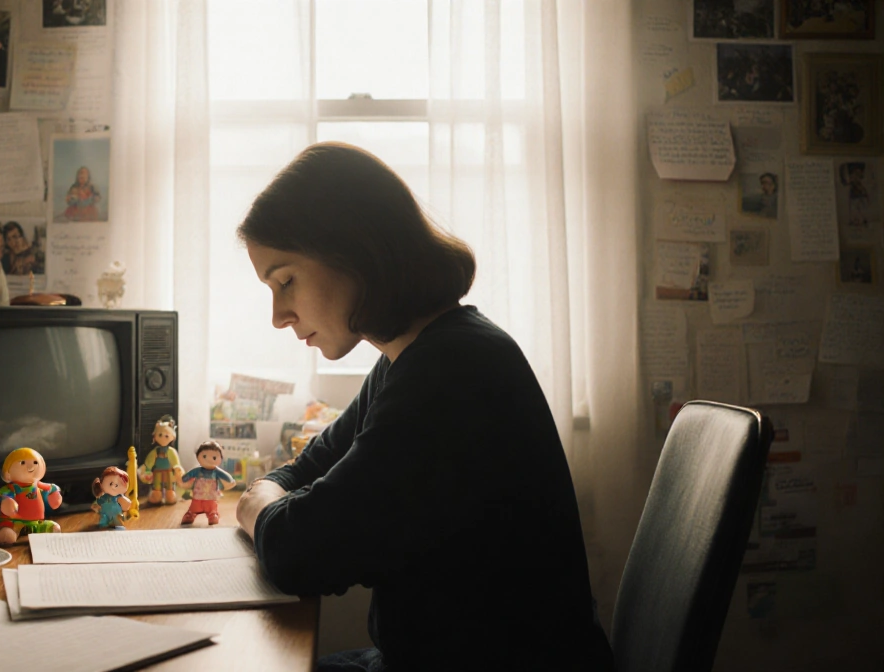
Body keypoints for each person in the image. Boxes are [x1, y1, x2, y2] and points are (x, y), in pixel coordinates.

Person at [234, 142, 613, 671]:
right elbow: (307, 470)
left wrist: (255, 504)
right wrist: (275, 501)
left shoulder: (453, 370)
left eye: (285, 280)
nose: (279, 315)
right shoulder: (409, 358)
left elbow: (302, 553)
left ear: (353, 250)